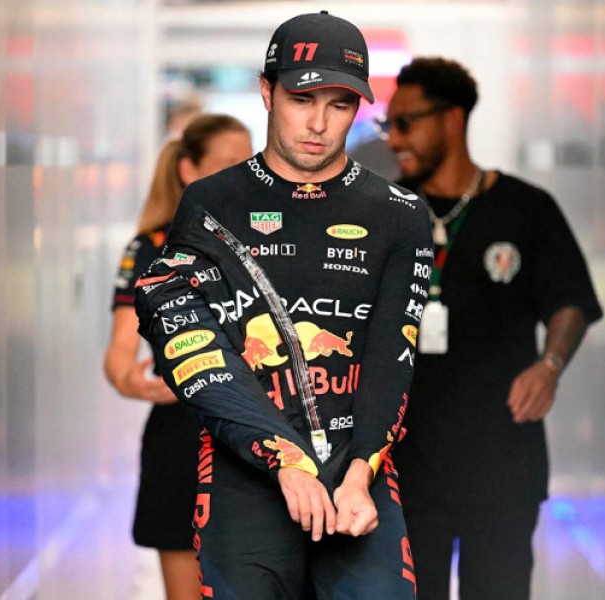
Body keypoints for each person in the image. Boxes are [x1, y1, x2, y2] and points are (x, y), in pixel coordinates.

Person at [132, 11, 432, 599]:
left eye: (340, 104)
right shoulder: (210, 204)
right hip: (243, 478)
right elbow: (192, 346)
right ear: (267, 92)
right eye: (301, 99)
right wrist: (283, 457)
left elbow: (393, 355)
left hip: (356, 475)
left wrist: (360, 472)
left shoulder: (399, 214)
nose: (319, 123)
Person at [381, 57, 604, 600]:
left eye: (405, 123)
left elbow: (570, 301)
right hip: (407, 463)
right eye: (389, 125)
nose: (393, 139)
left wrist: (550, 365)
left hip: (501, 459)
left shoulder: (526, 210)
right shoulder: (384, 214)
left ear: (452, 119)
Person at [104, 114, 253, 600]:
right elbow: (120, 351)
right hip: (180, 441)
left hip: (261, 438)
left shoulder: (270, 241)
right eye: (229, 163)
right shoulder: (150, 249)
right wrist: (132, 380)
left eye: (250, 162)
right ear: (189, 169)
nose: (244, 174)